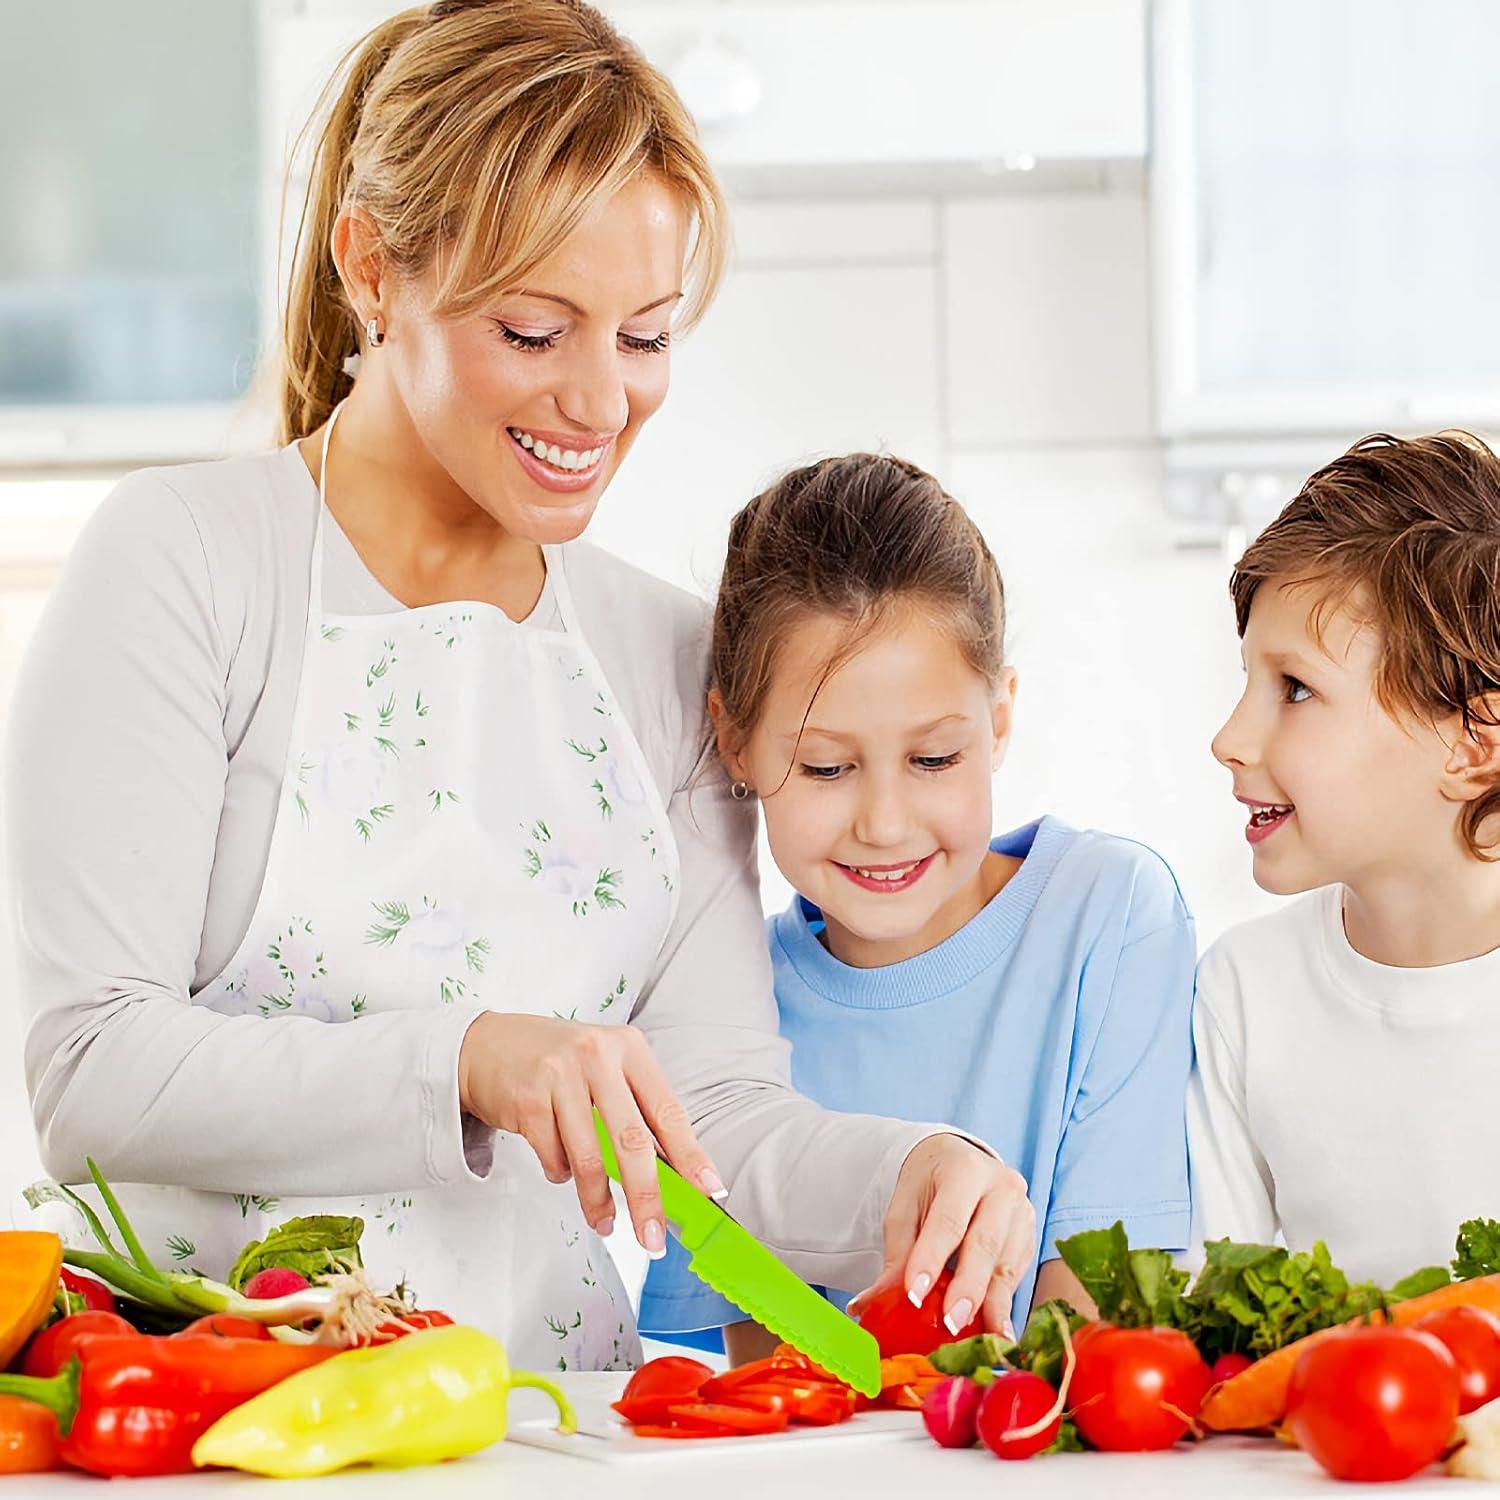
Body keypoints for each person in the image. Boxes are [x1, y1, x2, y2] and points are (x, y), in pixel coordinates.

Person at [3, 2, 1027, 1371]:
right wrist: (469, 1060)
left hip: (538, 1424)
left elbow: (713, 1118)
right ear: (372, 269)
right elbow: (92, 1071)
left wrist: (908, 1174)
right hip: (199, 1406)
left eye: (646, 337)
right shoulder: (187, 562)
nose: (602, 405)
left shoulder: (668, 658)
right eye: (538, 332)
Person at [639, 454, 1195, 1359]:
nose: (886, 824)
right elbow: (780, 1382)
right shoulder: (724, 1013)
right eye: (827, 767)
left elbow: (1096, 1328)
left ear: (1001, 720)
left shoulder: (1109, 914)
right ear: (733, 741)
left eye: (934, 759)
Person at [1190, 431, 1500, 1283]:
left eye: (1295, 689)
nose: (1228, 738)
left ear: (1475, 743)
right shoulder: (1241, 995)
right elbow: (1218, 1334)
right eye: (1248, 680)